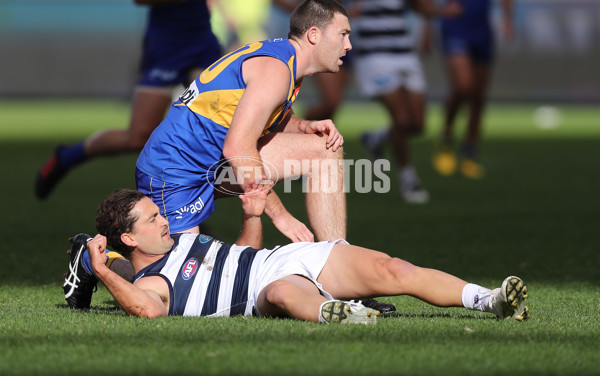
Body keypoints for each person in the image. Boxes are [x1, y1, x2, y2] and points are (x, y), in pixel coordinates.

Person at [67, 187, 530, 323]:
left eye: (158, 212)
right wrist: (100, 268)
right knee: (286, 295)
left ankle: (488, 300)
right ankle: (343, 316)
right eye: (151, 219)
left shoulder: (181, 240)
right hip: (264, 292)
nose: (163, 220)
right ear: (128, 239)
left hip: (281, 257)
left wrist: (252, 215)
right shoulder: (151, 285)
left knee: (393, 269)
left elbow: (239, 255)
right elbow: (145, 310)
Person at [133, 0, 350, 243]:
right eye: (343, 34)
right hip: (174, 173)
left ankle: (335, 254)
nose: (349, 45)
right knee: (179, 276)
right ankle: (94, 258)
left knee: (325, 148)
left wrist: (302, 125)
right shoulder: (276, 70)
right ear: (314, 35)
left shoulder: (284, 58)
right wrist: (281, 216)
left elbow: (256, 113)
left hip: (213, 165)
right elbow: (238, 148)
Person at [35, 0, 246, 200]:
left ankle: (190, 205)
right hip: (166, 47)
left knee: (226, 121)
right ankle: (66, 157)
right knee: (138, 137)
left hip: (203, 43)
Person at [335, 0, 461, 204]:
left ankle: (377, 137)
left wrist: (444, 11)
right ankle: (408, 179)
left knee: (418, 124)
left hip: (404, 53)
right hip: (374, 55)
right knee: (401, 119)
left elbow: (417, 4)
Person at [424, 0, 514, 179]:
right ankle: (446, 135)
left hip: (482, 30)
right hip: (454, 27)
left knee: (478, 95)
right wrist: (426, 31)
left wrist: (508, 19)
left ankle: (470, 151)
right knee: (464, 86)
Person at [271, 0, 352, 121]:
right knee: (332, 101)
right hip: (321, 34)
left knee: (335, 103)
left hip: (341, 31)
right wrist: (301, 12)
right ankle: (301, 128)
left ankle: (320, 138)